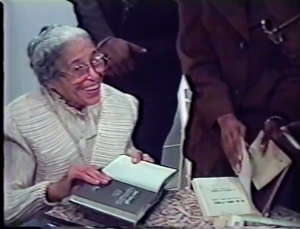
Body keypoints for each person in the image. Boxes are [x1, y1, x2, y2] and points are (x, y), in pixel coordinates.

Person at [4, 25, 154, 226]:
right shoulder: (19, 120)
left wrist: (135, 163)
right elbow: (8, 208)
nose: (94, 75)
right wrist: (55, 190)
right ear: (49, 79)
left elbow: (124, 152)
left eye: (96, 61)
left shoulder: (123, 104)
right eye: (78, 68)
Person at [177, 0, 300, 212]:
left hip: (275, 136)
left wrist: (280, 115)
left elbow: (295, 64)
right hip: (213, 132)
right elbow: (197, 60)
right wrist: (222, 114)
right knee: (210, 215)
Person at [68, 0, 182, 163]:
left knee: (146, 153)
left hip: (162, 52)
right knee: (95, 148)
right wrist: (104, 39)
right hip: (101, 51)